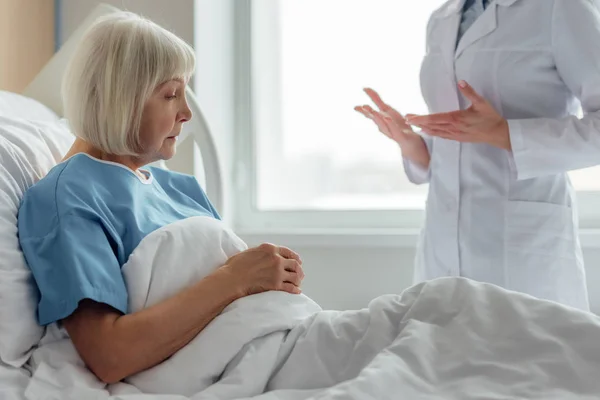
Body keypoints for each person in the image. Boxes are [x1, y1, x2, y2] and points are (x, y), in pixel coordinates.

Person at [17, 12, 305, 385]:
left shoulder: (183, 188)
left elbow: (239, 309)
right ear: (119, 99)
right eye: (171, 94)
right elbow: (109, 354)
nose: (185, 113)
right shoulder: (70, 196)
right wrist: (236, 277)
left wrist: (270, 277)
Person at [355, 0, 600, 311]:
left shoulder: (561, 7)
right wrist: (415, 146)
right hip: (440, 242)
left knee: (525, 352)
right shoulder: (443, 18)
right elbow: (463, 135)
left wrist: (506, 133)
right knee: (436, 352)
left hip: (522, 249)